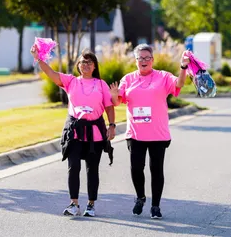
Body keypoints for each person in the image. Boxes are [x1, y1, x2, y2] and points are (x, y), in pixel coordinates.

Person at [30, 45, 116, 217]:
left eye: (90, 62)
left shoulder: (101, 84)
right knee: (73, 167)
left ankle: (90, 205)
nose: (86, 65)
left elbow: (109, 107)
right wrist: (39, 58)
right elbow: (51, 74)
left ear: (94, 66)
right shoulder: (71, 82)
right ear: (78, 65)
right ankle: (74, 204)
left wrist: (112, 125)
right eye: (83, 62)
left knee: (92, 169)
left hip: (95, 133)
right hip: (74, 132)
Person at [109, 44, 189, 219]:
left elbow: (180, 83)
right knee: (136, 168)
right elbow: (116, 102)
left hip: (157, 134)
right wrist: (114, 95)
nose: (144, 61)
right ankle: (140, 197)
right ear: (136, 60)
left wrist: (183, 67)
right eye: (140, 58)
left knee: (156, 170)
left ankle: (155, 206)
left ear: (152, 60)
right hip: (136, 134)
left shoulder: (163, 77)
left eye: (147, 58)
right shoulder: (128, 79)